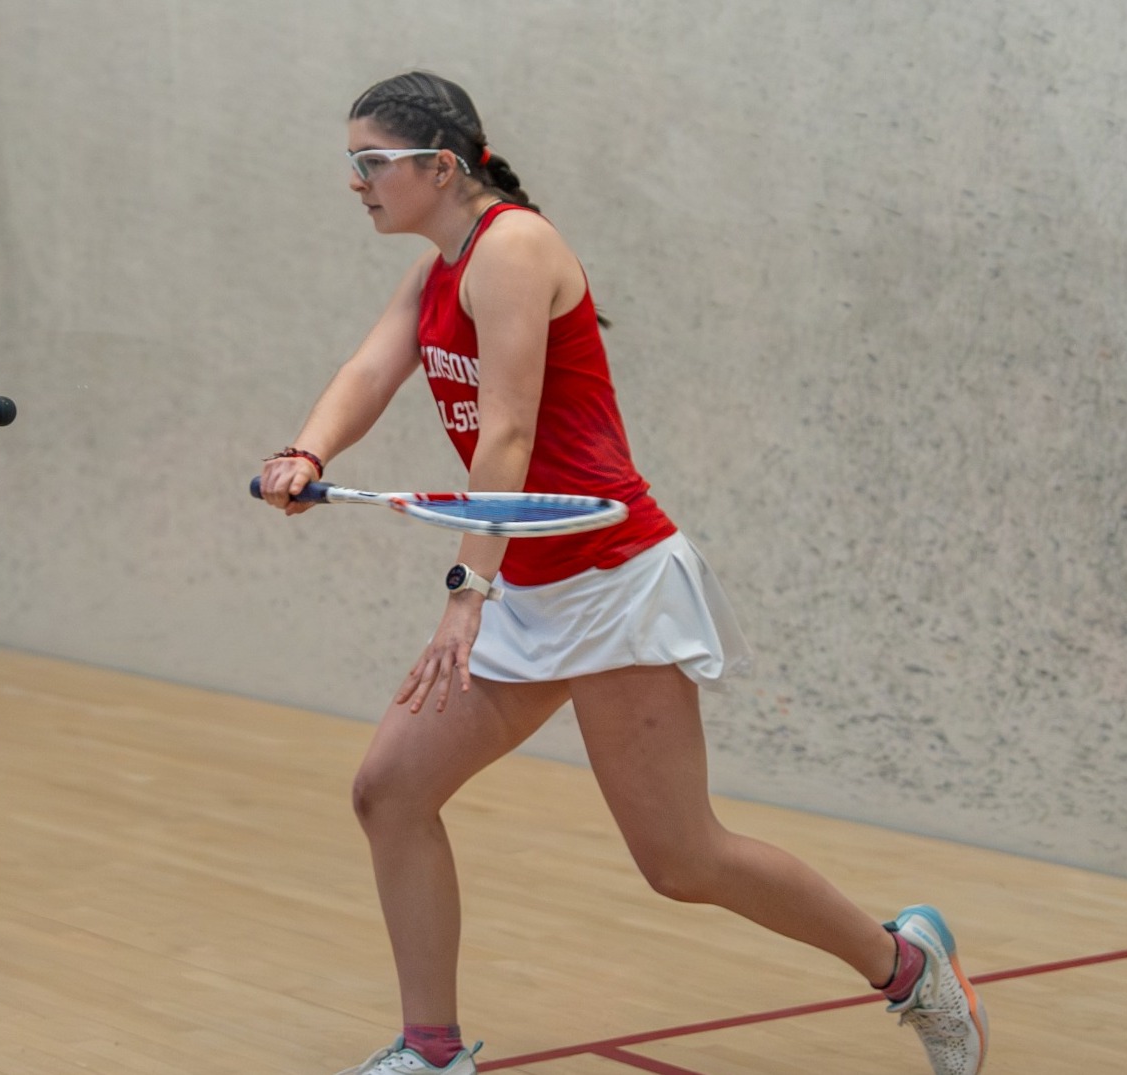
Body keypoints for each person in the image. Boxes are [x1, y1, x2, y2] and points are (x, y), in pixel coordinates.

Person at [257, 71, 988, 1075]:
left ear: (439, 165)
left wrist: (465, 595)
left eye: (370, 164)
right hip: (529, 579)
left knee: (681, 860)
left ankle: (905, 966)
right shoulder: (437, 270)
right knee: (388, 791)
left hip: (612, 581)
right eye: (351, 165)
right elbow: (370, 370)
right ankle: (430, 1052)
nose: (356, 182)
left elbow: (505, 430)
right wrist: (306, 452)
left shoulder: (512, 247)